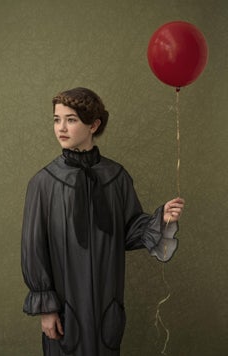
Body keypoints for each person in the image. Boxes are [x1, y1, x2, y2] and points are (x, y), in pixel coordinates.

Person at [21, 87, 184, 356]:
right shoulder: (43, 183)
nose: (61, 128)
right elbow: (33, 248)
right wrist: (46, 308)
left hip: (106, 302)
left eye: (71, 119)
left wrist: (161, 219)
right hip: (65, 306)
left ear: (93, 125)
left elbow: (130, 231)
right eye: (56, 119)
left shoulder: (116, 177)